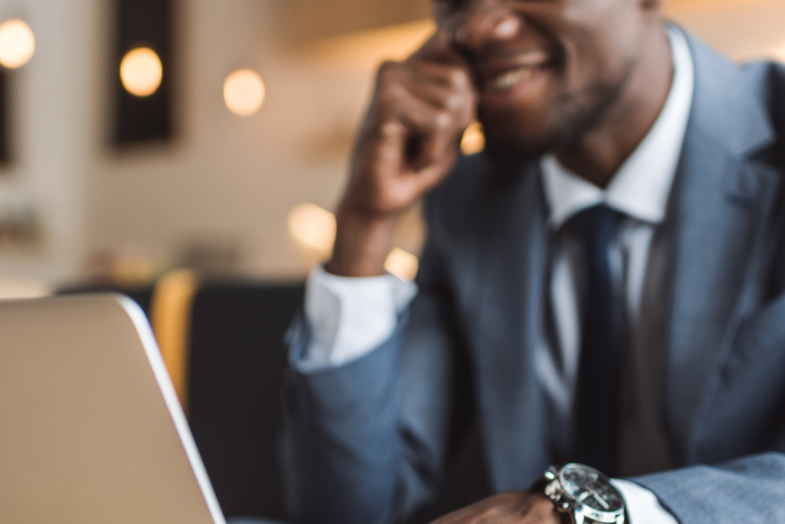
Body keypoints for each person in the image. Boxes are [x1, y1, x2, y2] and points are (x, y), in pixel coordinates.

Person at [281, 0, 785, 523]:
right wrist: (365, 224)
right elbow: (348, 511)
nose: (478, 27)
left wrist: (576, 516)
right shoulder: (466, 199)